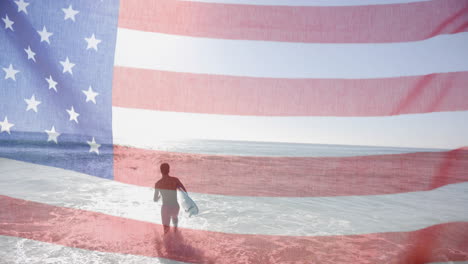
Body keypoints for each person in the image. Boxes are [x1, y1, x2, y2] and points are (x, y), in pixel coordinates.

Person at [154, 163, 187, 234]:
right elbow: (184, 191)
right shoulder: (175, 180)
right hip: (175, 206)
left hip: (166, 207)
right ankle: (176, 238)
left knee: (166, 230)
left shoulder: (158, 184)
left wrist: (160, 196)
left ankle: (168, 243)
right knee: (175, 225)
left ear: (160, 171)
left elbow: (155, 199)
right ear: (169, 170)